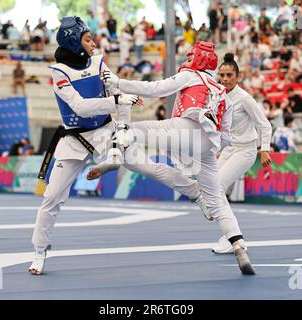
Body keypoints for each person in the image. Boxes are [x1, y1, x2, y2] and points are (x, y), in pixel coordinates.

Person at [29, 17, 209, 276]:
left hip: (105, 132)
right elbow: (81, 106)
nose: (93, 42)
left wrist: (122, 129)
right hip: (73, 139)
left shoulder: (99, 62)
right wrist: (115, 100)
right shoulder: (58, 73)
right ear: (73, 42)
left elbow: (120, 98)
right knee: (52, 197)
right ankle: (39, 251)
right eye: (87, 38)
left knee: (148, 167)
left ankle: (197, 193)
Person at [94, 41, 256, 275]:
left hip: (185, 129)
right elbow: (226, 130)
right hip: (208, 146)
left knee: (132, 130)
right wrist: (211, 148)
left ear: (198, 60)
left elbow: (155, 88)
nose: (187, 61)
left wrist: (117, 82)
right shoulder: (222, 90)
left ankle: (115, 156)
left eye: (191, 57)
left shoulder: (191, 76)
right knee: (216, 201)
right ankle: (238, 245)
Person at [211, 53, 272, 253]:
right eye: (222, 75)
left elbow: (264, 124)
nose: (225, 79)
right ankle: (228, 234)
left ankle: (234, 239)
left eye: (229, 75)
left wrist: (264, 150)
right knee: (211, 188)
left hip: (245, 151)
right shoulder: (218, 95)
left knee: (218, 186)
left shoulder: (245, 99)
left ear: (237, 76)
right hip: (228, 149)